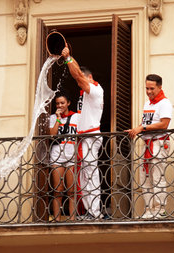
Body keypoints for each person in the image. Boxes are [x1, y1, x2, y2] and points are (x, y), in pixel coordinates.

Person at [61, 45, 104, 220]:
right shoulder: (86, 92)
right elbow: (78, 74)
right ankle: (89, 212)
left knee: (91, 175)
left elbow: (78, 76)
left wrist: (68, 58)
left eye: (84, 79)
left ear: (90, 78)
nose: (80, 82)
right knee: (85, 177)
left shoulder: (96, 90)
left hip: (90, 137)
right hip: (84, 138)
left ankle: (95, 213)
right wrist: (70, 58)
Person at [125, 74, 172, 219]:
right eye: (147, 88)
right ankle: (149, 209)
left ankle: (160, 209)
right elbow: (145, 122)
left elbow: (164, 124)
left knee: (158, 177)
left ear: (159, 87)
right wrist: (136, 129)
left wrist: (142, 129)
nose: (149, 91)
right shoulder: (148, 104)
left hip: (158, 143)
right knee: (145, 178)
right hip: (146, 144)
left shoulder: (164, 103)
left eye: (152, 88)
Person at [48, 94, 79, 221]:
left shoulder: (77, 117)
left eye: (62, 103)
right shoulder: (53, 118)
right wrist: (58, 119)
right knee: (58, 190)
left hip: (71, 156)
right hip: (57, 156)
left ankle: (72, 219)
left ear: (68, 103)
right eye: (57, 103)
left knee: (71, 191)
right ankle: (56, 219)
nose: (60, 106)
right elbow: (52, 135)